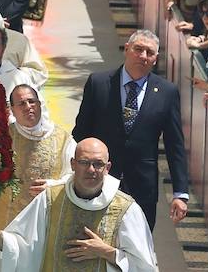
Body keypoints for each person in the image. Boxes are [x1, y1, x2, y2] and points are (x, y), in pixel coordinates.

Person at [0, 137, 157, 271]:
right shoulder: (51, 199)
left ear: (107, 168)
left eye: (98, 164)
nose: (91, 170)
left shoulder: (126, 209)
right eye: (84, 162)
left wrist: (106, 252)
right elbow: (22, 246)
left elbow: (145, 267)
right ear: (73, 164)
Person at [72, 29, 190, 228]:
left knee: (138, 247)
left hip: (142, 187)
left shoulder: (167, 92)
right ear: (127, 49)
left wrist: (180, 193)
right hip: (98, 181)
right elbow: (81, 133)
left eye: (149, 53)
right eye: (138, 49)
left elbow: (174, 144)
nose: (143, 56)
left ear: (155, 58)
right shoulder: (98, 83)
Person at [0, 83, 75, 228]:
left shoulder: (63, 139)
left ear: (39, 104)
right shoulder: (1, 138)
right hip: (9, 220)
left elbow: (74, 175)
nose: (28, 106)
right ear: (12, 110)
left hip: (45, 217)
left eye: (32, 101)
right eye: (21, 103)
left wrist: (53, 185)